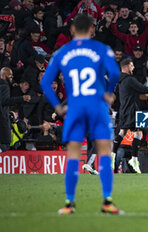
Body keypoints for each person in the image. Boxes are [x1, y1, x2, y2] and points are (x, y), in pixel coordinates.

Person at [41, 14, 122, 215]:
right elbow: (115, 73)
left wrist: (58, 107)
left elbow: (44, 83)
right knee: (104, 151)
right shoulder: (102, 49)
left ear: (72, 30)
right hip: (97, 106)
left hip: (75, 107)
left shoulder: (62, 52)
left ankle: (69, 204)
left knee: (74, 155)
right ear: (92, 29)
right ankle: (107, 201)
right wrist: (109, 93)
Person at [111, 58, 148, 174]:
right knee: (137, 133)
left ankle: (116, 156)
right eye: (132, 66)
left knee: (125, 133)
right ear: (127, 67)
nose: (133, 68)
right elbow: (143, 89)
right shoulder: (129, 80)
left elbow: (136, 92)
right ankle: (131, 159)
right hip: (130, 111)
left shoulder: (121, 81)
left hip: (125, 110)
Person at [0, 67, 30, 155]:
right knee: (5, 145)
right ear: (4, 76)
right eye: (10, 76)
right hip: (0, 120)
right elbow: (4, 101)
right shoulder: (4, 86)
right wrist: (22, 98)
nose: (12, 78)